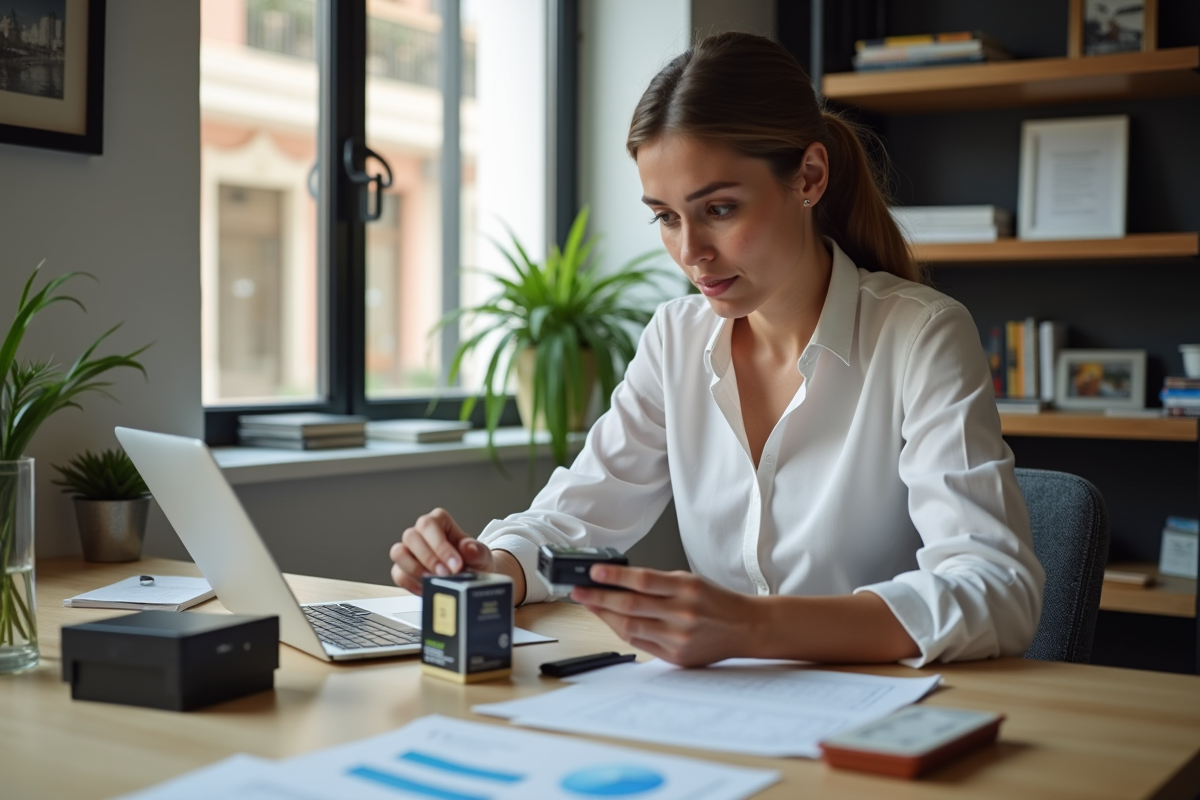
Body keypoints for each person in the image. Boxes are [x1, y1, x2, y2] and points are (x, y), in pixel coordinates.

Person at [389, 32, 1044, 668]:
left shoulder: (922, 336)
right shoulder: (676, 339)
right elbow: (573, 523)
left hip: (885, 723)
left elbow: (997, 589)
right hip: (723, 716)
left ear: (809, 176)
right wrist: (489, 567)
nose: (691, 253)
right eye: (666, 217)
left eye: (720, 209)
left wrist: (757, 627)